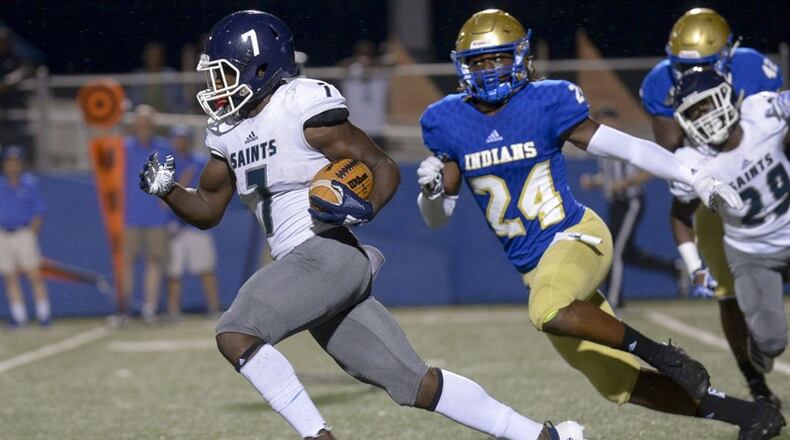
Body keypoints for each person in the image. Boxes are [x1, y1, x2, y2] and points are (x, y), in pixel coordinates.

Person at [138, 10, 583, 440]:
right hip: (308, 267)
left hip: (327, 252)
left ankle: (317, 435)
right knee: (415, 384)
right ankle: (545, 436)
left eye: (225, 73)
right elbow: (210, 207)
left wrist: (363, 207)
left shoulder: (301, 108)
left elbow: (381, 165)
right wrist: (169, 190)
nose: (216, 86)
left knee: (235, 331)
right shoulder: (228, 132)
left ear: (260, 68)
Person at [416, 9, 783, 439]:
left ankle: (663, 354)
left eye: (497, 58)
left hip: (576, 237)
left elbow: (628, 149)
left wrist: (695, 177)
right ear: (463, 66)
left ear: (519, 57)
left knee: (546, 307)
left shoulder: (546, 101)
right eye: (478, 61)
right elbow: (439, 220)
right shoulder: (448, 121)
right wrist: (431, 193)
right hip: (538, 269)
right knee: (618, 385)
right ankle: (751, 416)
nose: (489, 69)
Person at [639, 7, 784, 406]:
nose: (689, 74)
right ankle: (757, 386)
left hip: (770, 184)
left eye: (702, 66)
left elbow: (771, 136)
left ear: (726, 57)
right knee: (728, 295)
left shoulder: (754, 71)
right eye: (682, 67)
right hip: (717, 193)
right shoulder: (660, 84)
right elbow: (672, 152)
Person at [669, 68, 790, 408]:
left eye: (706, 105)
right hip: (751, 252)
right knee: (771, 343)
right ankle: (758, 348)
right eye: (694, 113)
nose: (704, 117)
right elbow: (679, 215)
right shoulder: (693, 162)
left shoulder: (761, 114)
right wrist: (695, 266)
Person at [579, 107, 683, 307]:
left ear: (615, 123)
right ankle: (672, 268)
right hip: (616, 203)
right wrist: (595, 182)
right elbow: (609, 177)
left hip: (631, 202)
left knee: (614, 250)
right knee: (627, 253)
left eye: (604, 122)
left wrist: (625, 184)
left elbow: (648, 172)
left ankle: (615, 299)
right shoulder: (602, 147)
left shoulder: (625, 144)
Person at [116, 104, 174, 325]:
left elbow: (168, 182)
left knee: (154, 262)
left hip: (156, 217)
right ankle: (125, 310)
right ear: (134, 126)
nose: (144, 127)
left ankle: (149, 309)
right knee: (126, 263)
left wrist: (166, 206)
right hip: (128, 216)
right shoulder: (123, 148)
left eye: (147, 123)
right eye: (140, 123)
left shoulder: (164, 149)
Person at [165, 125, 220, 319]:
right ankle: (173, 310)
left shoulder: (199, 162)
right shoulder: (166, 163)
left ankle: (213, 307)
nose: (179, 143)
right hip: (174, 226)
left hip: (196, 224)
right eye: (176, 139)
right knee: (174, 272)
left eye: (182, 139)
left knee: (205, 268)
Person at [0, 146, 50, 327]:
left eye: (16, 162)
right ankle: (19, 317)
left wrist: (31, 234)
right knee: (10, 277)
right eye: (9, 162)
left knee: (34, 275)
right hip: (3, 234)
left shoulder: (30, 183)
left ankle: (43, 314)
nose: (12, 165)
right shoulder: (1, 185)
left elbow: (39, 211)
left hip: (23, 233)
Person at [127, 41, 185, 114]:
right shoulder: (137, 76)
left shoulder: (171, 75)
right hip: (143, 118)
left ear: (162, 57)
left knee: (181, 126)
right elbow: (133, 103)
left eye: (157, 55)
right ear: (146, 56)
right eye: (151, 55)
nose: (154, 58)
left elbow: (179, 102)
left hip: (168, 116)